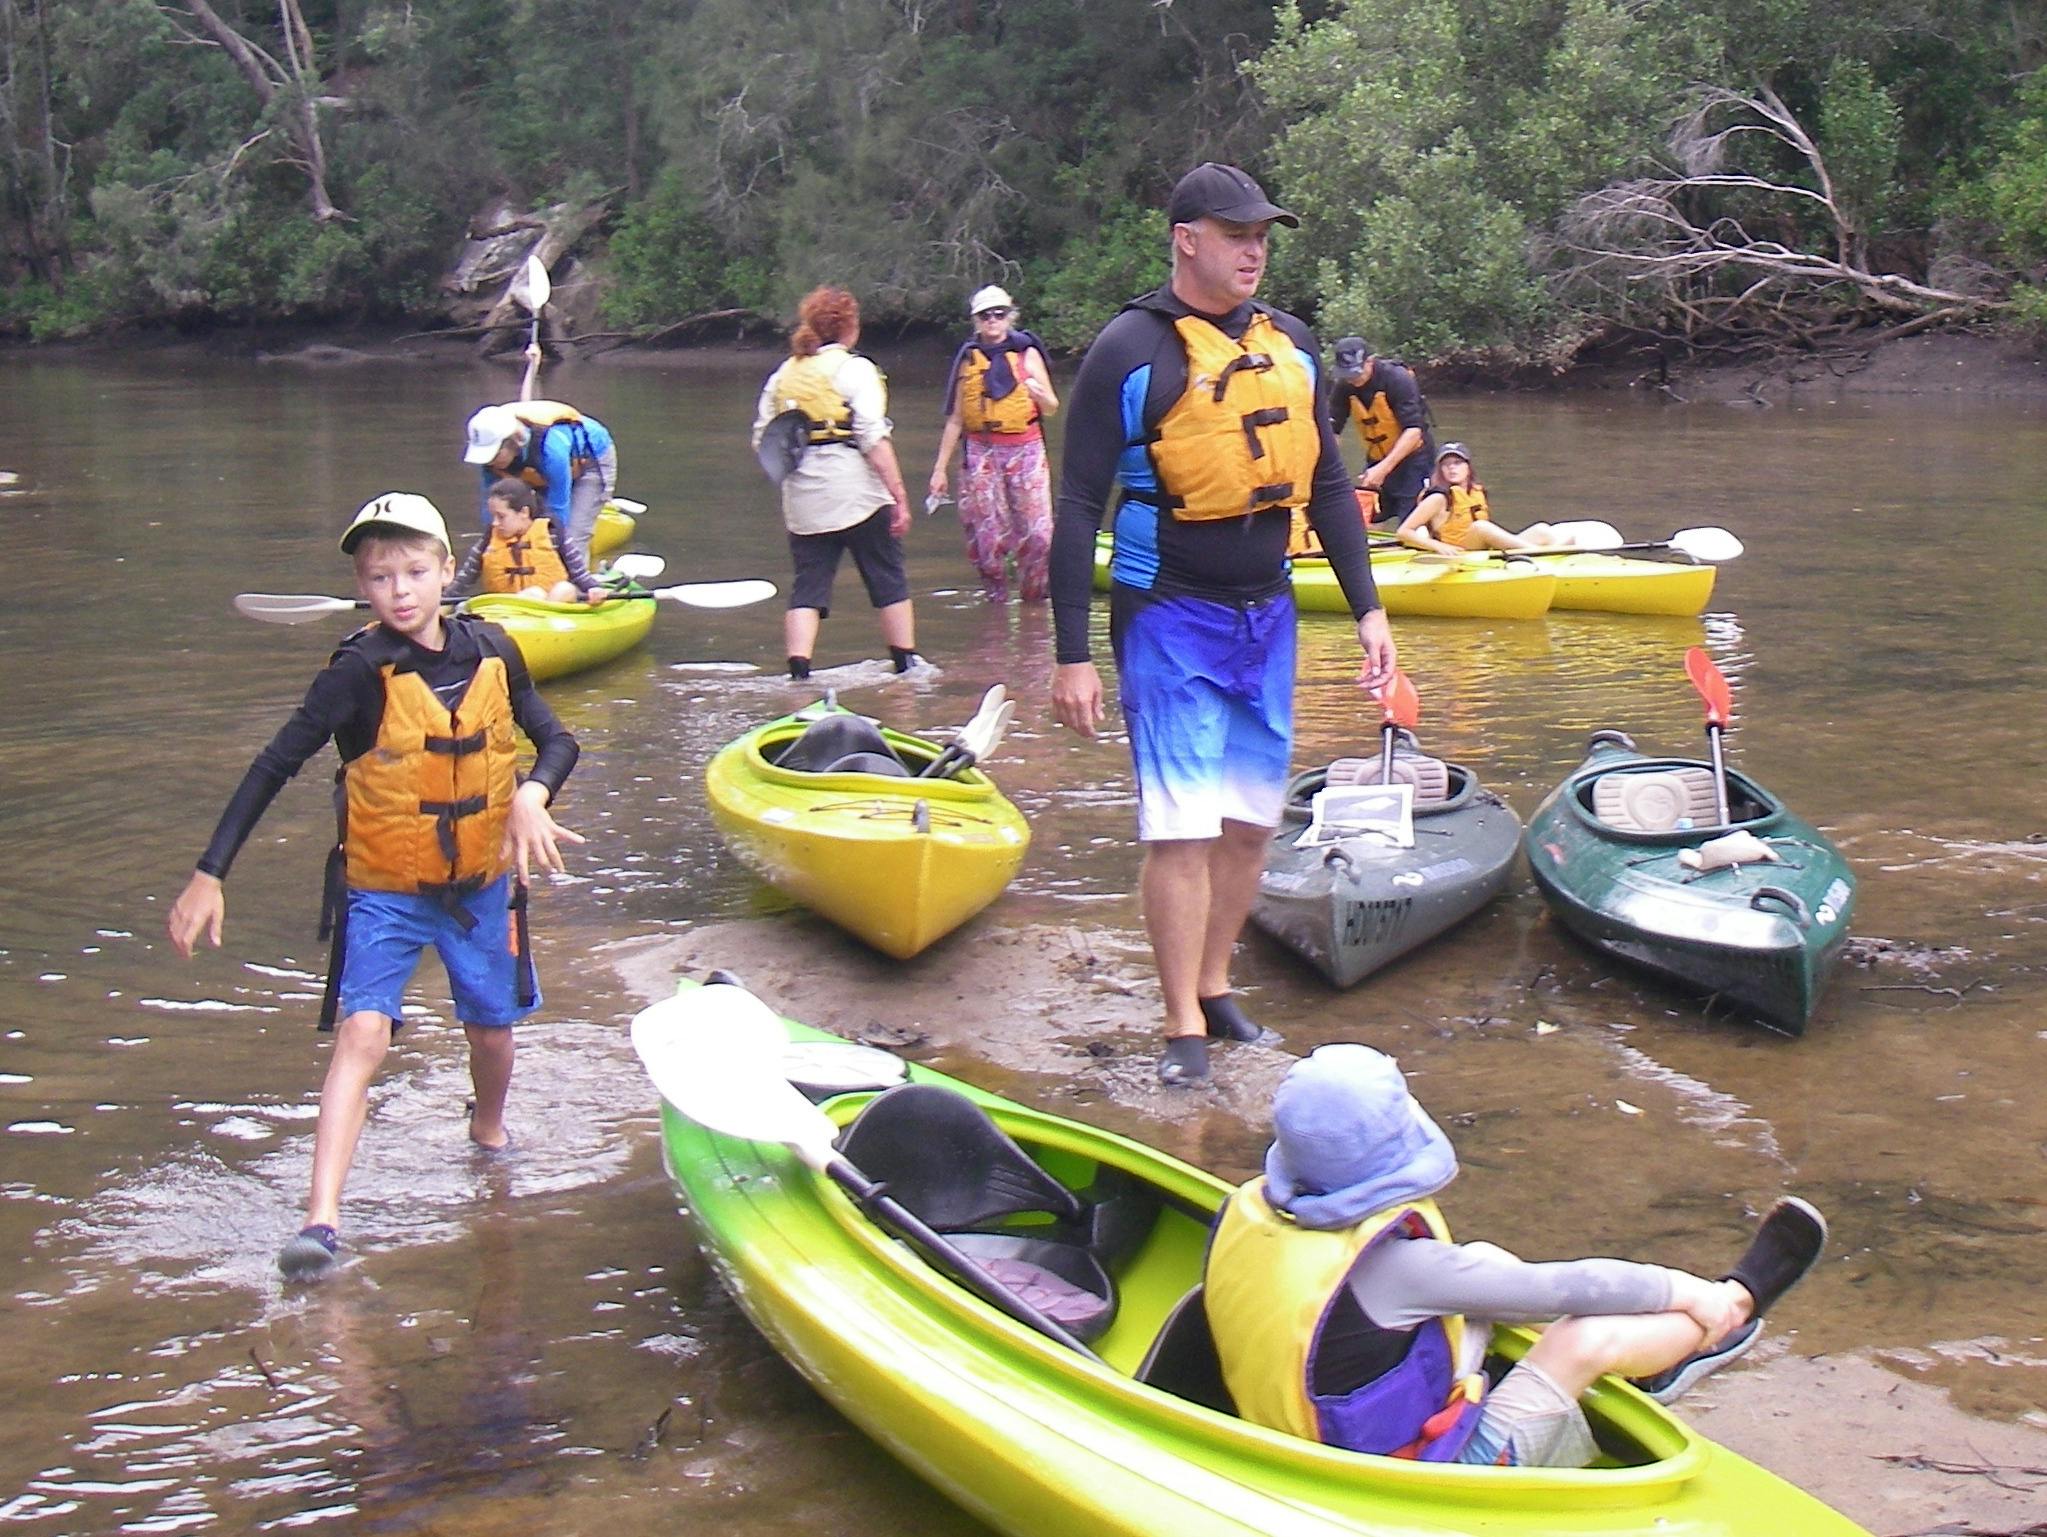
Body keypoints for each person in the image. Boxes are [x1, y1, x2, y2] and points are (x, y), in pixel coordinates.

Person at [164, 493, 583, 1282]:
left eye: (414, 571)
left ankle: (487, 1133)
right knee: (364, 1033)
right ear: (363, 583)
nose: (399, 589)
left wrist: (534, 792)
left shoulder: (494, 649)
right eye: (380, 575)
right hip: (384, 889)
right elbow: (273, 764)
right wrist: (208, 874)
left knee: (491, 1033)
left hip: (483, 885)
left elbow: (557, 738)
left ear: (446, 571)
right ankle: (320, 1219)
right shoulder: (355, 673)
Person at [1048, 162, 1397, 1087]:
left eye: (1262, 236)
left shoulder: (1293, 342)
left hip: (1268, 611)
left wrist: (1368, 609)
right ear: (1185, 239)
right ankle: (1178, 1030)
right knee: (1181, 827)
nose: (1254, 250)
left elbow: (1324, 482)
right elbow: (1078, 500)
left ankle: (1211, 985)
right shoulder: (1129, 350)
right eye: (1235, 234)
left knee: (1249, 823)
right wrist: (1071, 654)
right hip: (1166, 612)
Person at [1205, 1045, 1829, 1466]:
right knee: (1585, 1340)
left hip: (1294, 1428)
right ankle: (1725, 1313)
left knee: (1485, 1261)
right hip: (1433, 1474)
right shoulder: (1397, 1271)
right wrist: (1690, 1291)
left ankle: (1660, 1349)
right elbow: (1577, 1287)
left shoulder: (1248, 1207)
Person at [752, 285, 921, 680]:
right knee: (887, 577)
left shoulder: (783, 375)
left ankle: (798, 673)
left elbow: (763, 440)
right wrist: (899, 496)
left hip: (804, 501)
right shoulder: (855, 369)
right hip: (857, 494)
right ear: (850, 328)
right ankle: (906, 667)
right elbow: (872, 437)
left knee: (808, 586)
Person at [928, 285, 1060, 603]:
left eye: (999, 313)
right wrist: (939, 470)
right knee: (988, 538)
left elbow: (1052, 407)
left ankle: (1034, 598)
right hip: (982, 450)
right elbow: (956, 420)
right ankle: (996, 599)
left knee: (1039, 536)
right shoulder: (967, 360)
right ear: (976, 320)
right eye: (986, 315)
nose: (993, 320)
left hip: (1026, 449)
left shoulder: (1028, 354)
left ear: (1009, 316)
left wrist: (1041, 396)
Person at [461, 381, 618, 564]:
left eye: (495, 453)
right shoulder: (490, 461)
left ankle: (576, 586)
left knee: (572, 538)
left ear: (512, 441)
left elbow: (559, 509)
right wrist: (492, 542)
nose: (490, 461)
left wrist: (551, 546)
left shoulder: (550, 451)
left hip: (592, 459)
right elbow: (491, 506)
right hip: (542, 469)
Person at [450, 477, 616, 606]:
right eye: (493, 516)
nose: (495, 523)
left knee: (564, 589)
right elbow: (463, 580)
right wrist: (441, 600)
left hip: (551, 607)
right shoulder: (488, 541)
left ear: (523, 512)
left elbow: (579, 573)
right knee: (534, 593)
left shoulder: (552, 533)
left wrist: (594, 588)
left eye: (501, 516)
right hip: (505, 611)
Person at [1328, 337, 1433, 530]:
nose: (1352, 378)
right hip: (1377, 458)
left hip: (1414, 459)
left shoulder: (1397, 379)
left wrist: (1383, 469)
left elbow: (1413, 431)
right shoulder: (1344, 386)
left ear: (1370, 361)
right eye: (1347, 373)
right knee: (1367, 515)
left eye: (1356, 372)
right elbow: (1331, 432)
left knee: (1411, 519)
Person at [1395, 442, 1564, 556]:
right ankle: (1537, 555)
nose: (1452, 468)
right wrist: (1439, 547)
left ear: (1468, 467)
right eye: (1446, 464)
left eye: (1458, 462)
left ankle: (1560, 557)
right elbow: (1403, 532)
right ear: (1440, 470)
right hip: (1459, 552)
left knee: (1542, 530)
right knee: (1481, 527)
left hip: (1480, 547)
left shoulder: (1476, 492)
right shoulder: (1438, 497)